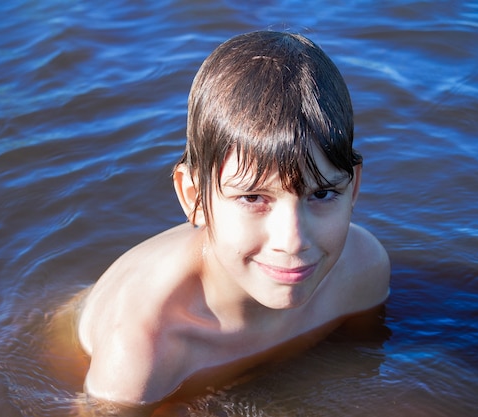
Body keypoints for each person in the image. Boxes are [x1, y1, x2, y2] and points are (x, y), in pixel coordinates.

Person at [76, 30, 390, 408]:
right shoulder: (142, 352)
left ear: (353, 188)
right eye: (253, 197)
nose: (293, 241)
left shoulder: (364, 270)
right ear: (193, 196)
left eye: (321, 194)